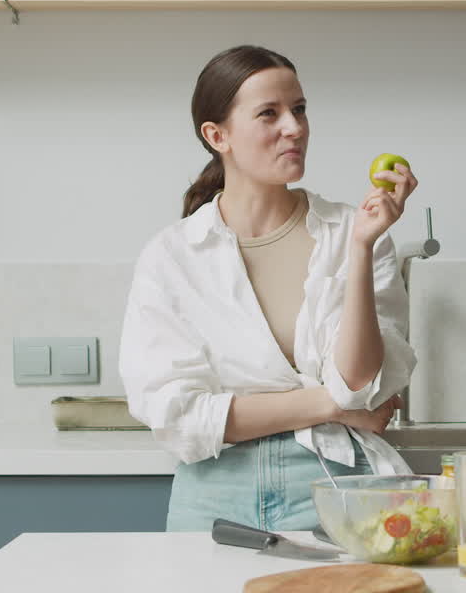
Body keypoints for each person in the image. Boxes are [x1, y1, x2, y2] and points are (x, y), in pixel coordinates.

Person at [119, 44, 420, 531]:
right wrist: (329, 405)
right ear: (218, 136)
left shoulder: (354, 231)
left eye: (299, 109)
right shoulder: (171, 257)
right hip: (214, 494)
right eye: (269, 114)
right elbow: (181, 419)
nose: (294, 127)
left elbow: (361, 384)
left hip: (339, 484)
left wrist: (362, 248)